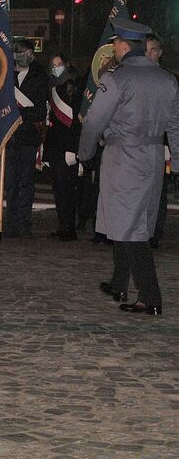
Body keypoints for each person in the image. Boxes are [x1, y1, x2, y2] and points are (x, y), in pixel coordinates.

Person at [79, 18, 178, 316]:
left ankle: (150, 296)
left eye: (115, 44)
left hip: (123, 156)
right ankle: (119, 282)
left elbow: (95, 121)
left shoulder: (117, 78)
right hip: (152, 156)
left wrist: (84, 153)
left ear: (123, 46)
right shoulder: (167, 79)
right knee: (128, 221)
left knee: (130, 228)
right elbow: (175, 126)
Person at [4, 39, 48, 237]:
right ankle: (10, 222)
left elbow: (39, 110)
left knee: (26, 182)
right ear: (15, 54)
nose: (26, 56)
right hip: (9, 136)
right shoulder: (6, 76)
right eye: (22, 52)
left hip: (28, 135)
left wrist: (21, 115)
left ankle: (24, 222)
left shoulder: (39, 76)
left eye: (30, 53)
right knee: (10, 181)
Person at [43, 55, 83, 242]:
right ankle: (62, 225)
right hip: (54, 145)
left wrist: (73, 148)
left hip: (68, 146)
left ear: (67, 65)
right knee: (58, 188)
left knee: (67, 188)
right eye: (53, 65)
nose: (55, 68)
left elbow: (76, 122)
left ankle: (70, 227)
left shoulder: (73, 88)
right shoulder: (52, 87)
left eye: (59, 64)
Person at [145, 33, 172, 249]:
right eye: (145, 50)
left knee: (157, 191)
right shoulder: (136, 76)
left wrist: (169, 146)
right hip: (138, 144)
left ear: (160, 52)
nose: (149, 54)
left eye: (153, 50)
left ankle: (154, 233)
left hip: (159, 141)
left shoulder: (168, 79)